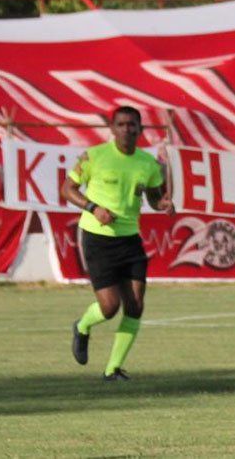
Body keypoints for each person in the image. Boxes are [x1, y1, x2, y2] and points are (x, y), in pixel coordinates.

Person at [60, 106, 174, 382]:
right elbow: (67, 189)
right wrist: (93, 207)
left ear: (140, 129)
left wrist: (164, 205)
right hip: (97, 240)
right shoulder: (95, 156)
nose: (127, 129)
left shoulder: (147, 164)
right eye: (121, 124)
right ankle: (83, 326)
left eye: (132, 124)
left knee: (135, 304)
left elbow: (155, 199)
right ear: (112, 129)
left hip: (130, 239)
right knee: (110, 308)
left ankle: (113, 369)